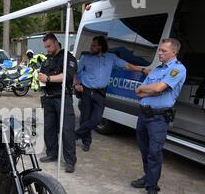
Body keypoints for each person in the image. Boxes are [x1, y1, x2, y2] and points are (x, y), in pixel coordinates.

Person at [131, 38, 186, 194]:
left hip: (158, 118)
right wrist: (151, 91)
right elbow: (138, 92)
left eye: (164, 51)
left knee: (154, 152)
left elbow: (158, 88)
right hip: (144, 115)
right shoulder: (156, 70)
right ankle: (148, 177)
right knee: (144, 149)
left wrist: (150, 90)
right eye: (160, 50)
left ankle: (152, 187)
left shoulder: (178, 69)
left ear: (174, 52)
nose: (160, 53)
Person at [74, 36, 149, 151]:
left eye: (94, 45)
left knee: (96, 119)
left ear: (101, 47)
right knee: (85, 118)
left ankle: (75, 135)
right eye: (91, 45)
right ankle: (86, 142)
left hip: (100, 92)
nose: (91, 47)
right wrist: (76, 84)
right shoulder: (85, 58)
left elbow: (127, 65)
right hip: (86, 91)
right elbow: (75, 72)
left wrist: (142, 70)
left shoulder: (111, 58)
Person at [38, 33, 78, 173]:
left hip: (62, 97)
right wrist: (41, 77)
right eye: (45, 47)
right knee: (49, 128)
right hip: (48, 97)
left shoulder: (68, 58)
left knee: (67, 130)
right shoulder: (48, 59)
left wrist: (48, 78)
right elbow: (43, 74)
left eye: (49, 46)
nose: (47, 49)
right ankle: (52, 153)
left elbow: (67, 76)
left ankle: (70, 161)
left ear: (56, 43)